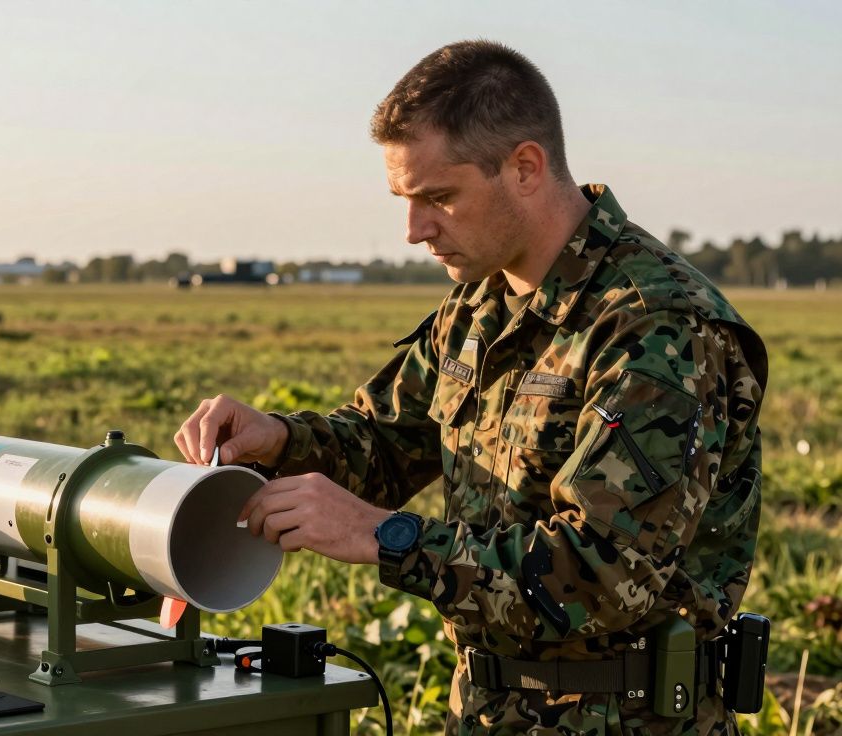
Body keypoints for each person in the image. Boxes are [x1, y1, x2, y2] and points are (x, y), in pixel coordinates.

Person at [175, 40, 767, 735]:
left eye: (439, 198)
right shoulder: (479, 308)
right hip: (485, 713)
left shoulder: (657, 328)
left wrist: (384, 536)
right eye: (405, 199)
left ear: (524, 167)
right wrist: (278, 438)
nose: (413, 230)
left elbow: (603, 580)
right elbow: (384, 445)